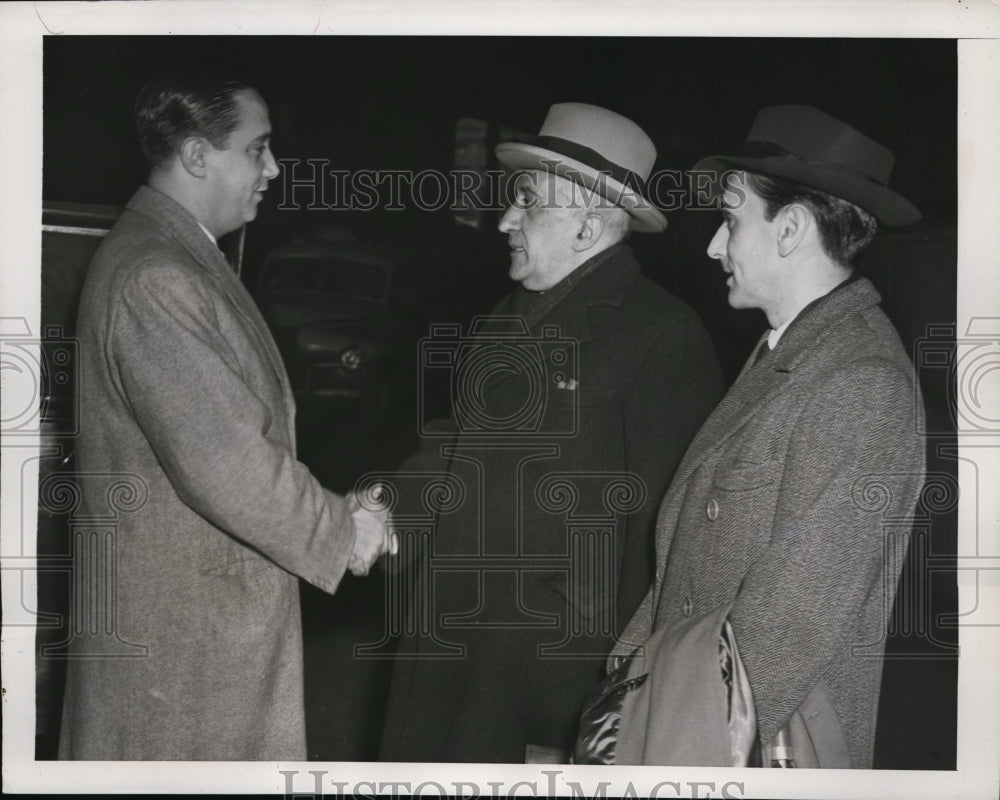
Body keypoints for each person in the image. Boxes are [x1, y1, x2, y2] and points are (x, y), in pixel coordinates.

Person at [59, 73, 392, 761]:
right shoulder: (157, 276)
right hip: (181, 647)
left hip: (193, 629)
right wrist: (343, 530)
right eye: (258, 148)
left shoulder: (175, 255)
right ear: (197, 155)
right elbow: (228, 463)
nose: (273, 168)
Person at [379, 103, 724, 763]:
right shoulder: (507, 315)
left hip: (543, 686)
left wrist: (593, 715)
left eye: (527, 204)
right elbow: (455, 450)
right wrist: (380, 516)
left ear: (587, 225)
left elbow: (664, 547)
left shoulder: (663, 337)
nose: (504, 220)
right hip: (448, 644)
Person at [595, 105, 926, 769]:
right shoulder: (785, 352)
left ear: (792, 230)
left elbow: (783, 634)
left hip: (753, 751)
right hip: (685, 717)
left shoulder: (863, 384)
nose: (714, 246)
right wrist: (619, 695)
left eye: (730, 220)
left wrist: (655, 747)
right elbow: (680, 572)